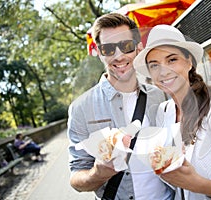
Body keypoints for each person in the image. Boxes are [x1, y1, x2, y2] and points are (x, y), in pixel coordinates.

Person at [134, 24, 211, 199]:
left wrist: (196, 184)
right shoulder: (164, 111)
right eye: (154, 65)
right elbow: (173, 179)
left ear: (189, 62)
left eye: (172, 60)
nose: (163, 71)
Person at [67, 13, 173, 200]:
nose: (119, 56)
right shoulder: (80, 108)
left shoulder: (159, 94)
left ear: (138, 48)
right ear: (98, 53)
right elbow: (76, 176)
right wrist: (97, 173)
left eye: (126, 46)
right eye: (108, 49)